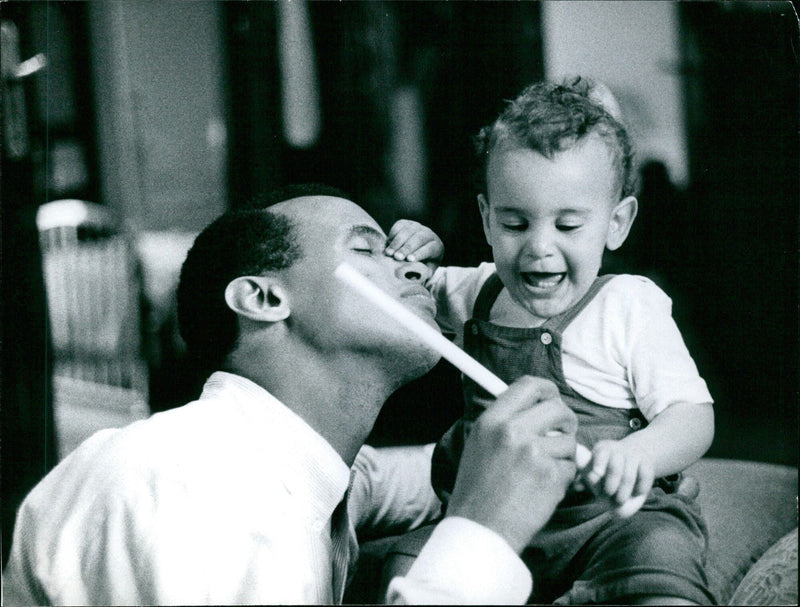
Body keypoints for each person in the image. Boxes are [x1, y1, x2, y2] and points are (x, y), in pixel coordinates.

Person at [2, 184, 579, 605]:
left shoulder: (304, 473)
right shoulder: (190, 485)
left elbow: (402, 480)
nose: (417, 272)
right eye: (367, 250)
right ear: (263, 298)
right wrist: (482, 533)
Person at [383, 78, 716, 605]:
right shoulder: (479, 291)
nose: (539, 247)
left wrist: (640, 454)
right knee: (407, 562)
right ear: (487, 219)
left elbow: (694, 415)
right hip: (502, 522)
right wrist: (417, 255)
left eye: (568, 225)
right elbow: (410, 290)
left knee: (661, 564)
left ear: (616, 223)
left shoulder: (628, 305)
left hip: (612, 525)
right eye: (516, 223)